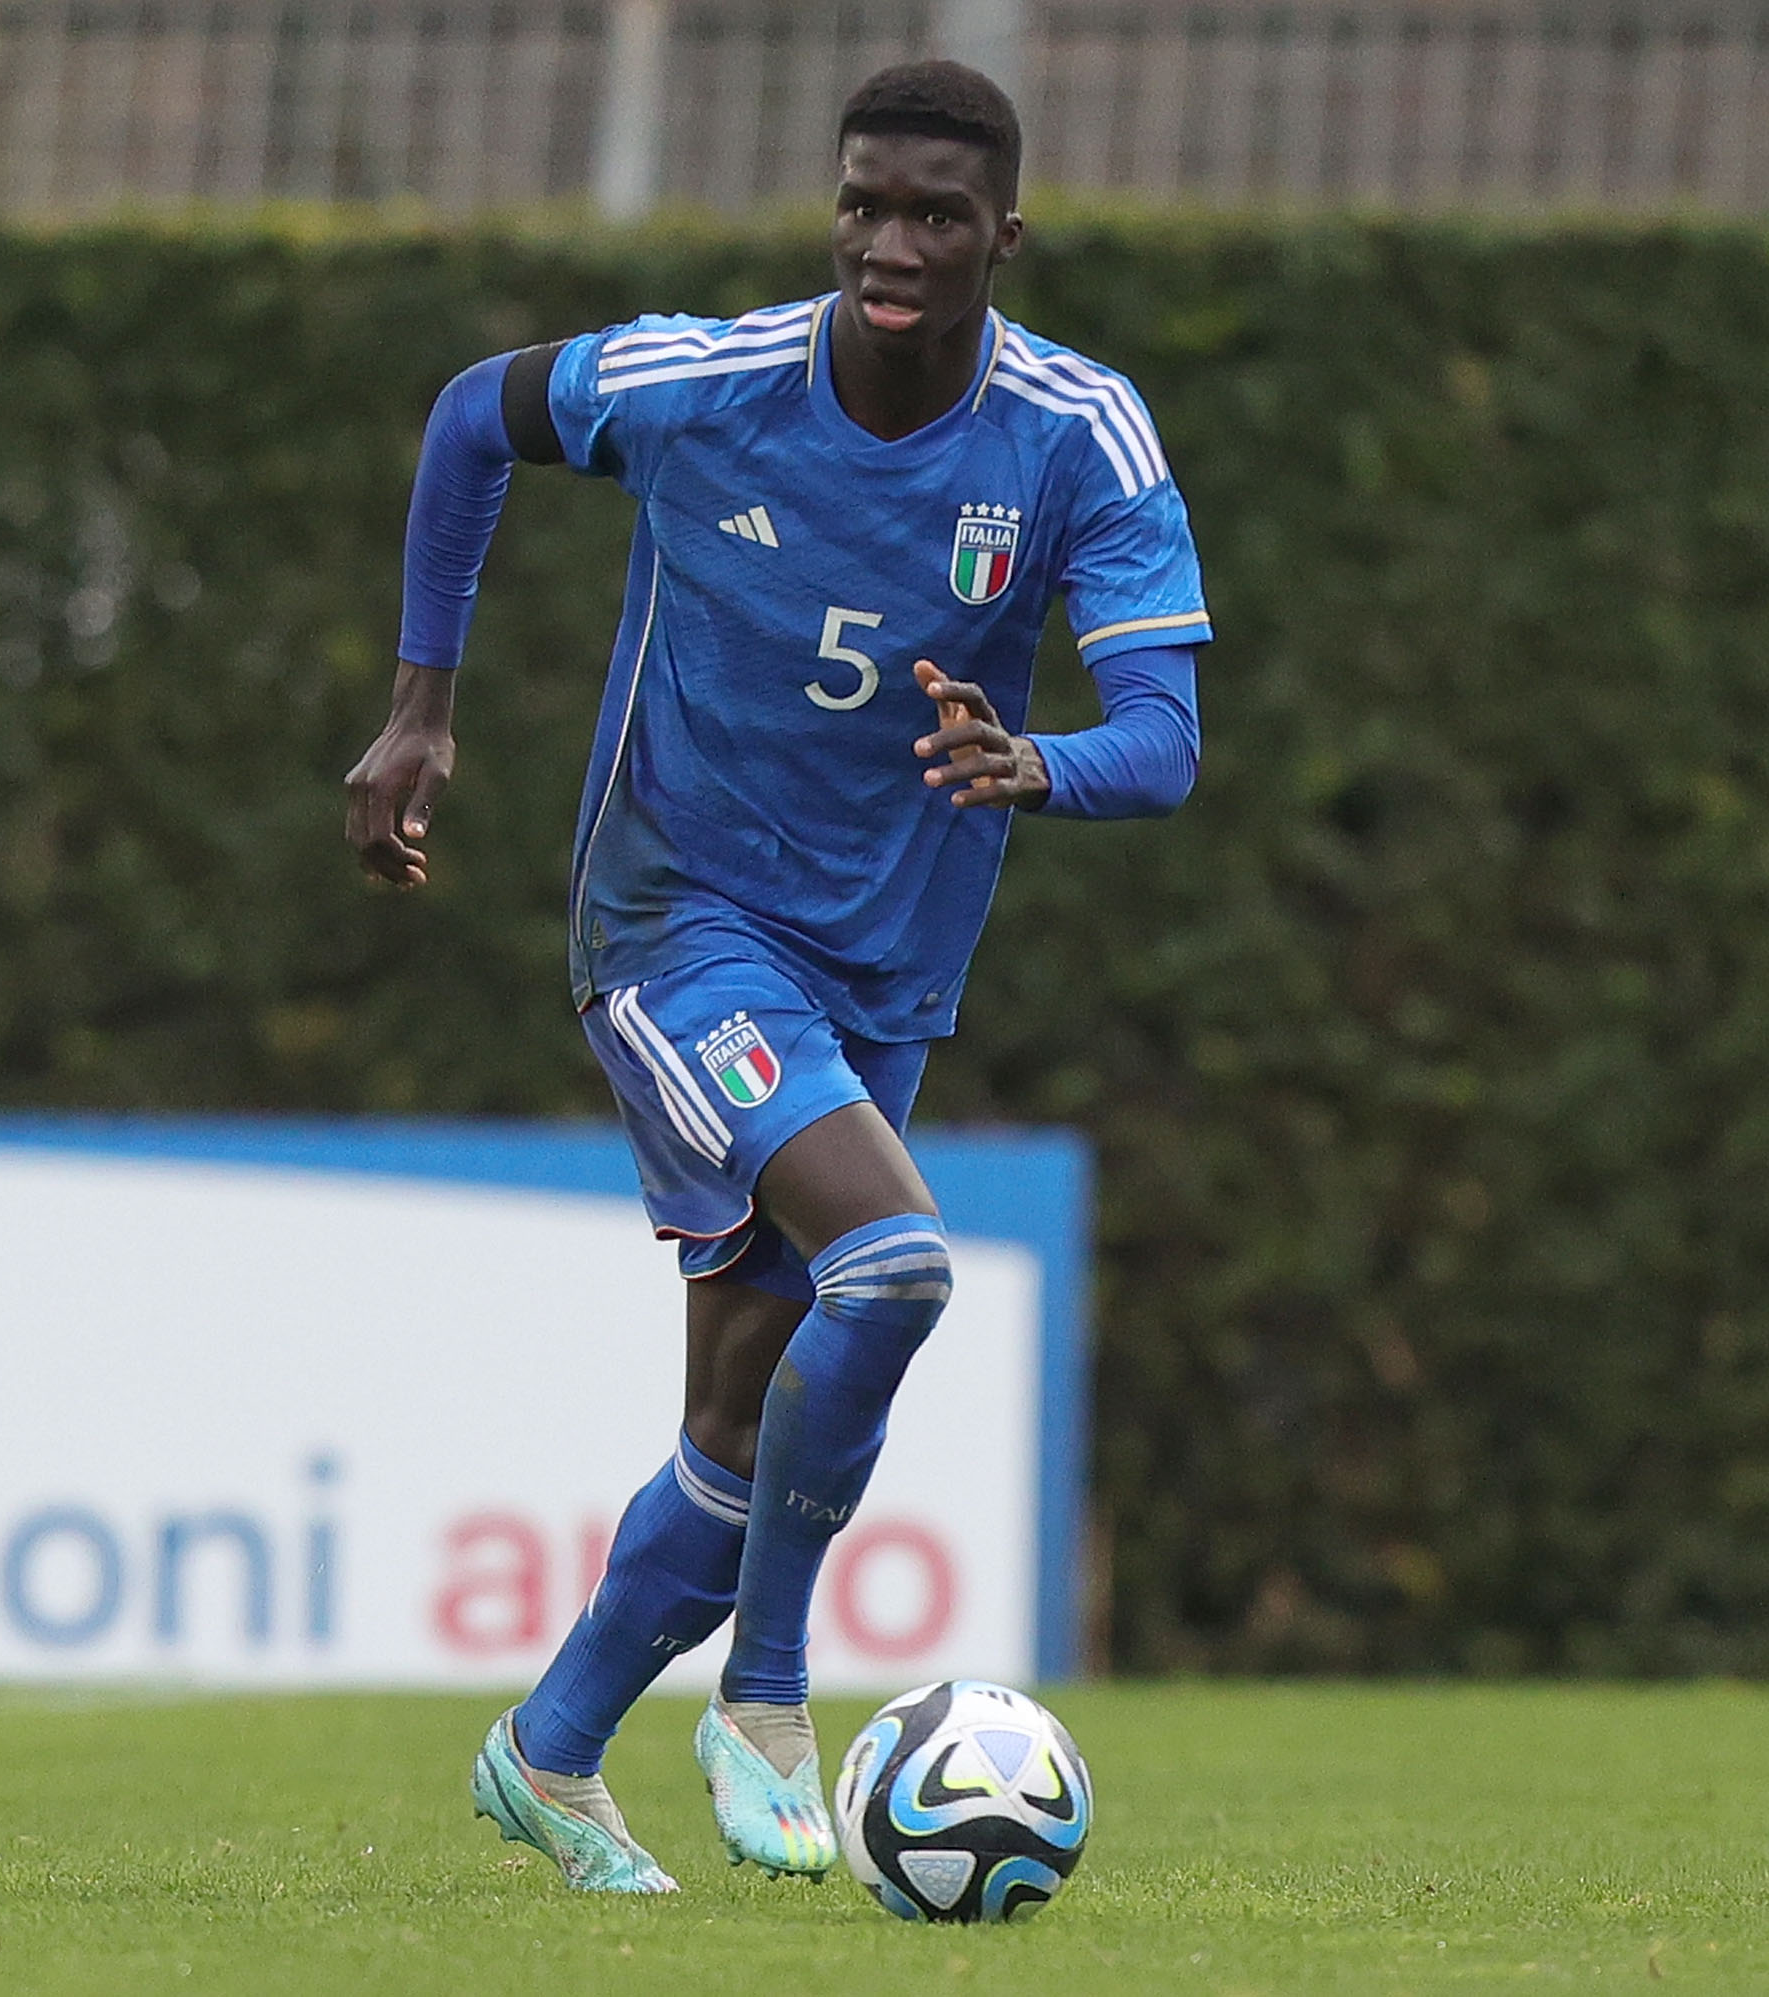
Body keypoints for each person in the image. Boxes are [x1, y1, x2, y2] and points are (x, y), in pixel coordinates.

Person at [343, 58, 1209, 1894]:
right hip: (674, 921)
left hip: (881, 965)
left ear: (1004, 237)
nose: (890, 247)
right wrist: (422, 706)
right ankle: (768, 1695)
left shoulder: (1077, 436)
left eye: (935, 217)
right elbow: (471, 416)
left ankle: (550, 1750)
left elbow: (1166, 735)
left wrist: (1037, 760)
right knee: (894, 1267)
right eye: (863, 206)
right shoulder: (703, 380)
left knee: (740, 1421)